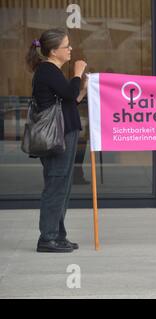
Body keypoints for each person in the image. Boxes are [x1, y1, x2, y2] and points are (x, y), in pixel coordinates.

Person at [26, 28, 88, 253]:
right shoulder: (48, 70)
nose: (70, 49)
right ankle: (48, 238)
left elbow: (68, 100)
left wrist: (81, 90)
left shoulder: (51, 71)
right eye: (66, 46)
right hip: (57, 136)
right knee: (56, 184)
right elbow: (68, 95)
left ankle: (58, 235)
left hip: (64, 133)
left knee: (63, 185)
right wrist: (77, 73)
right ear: (53, 51)